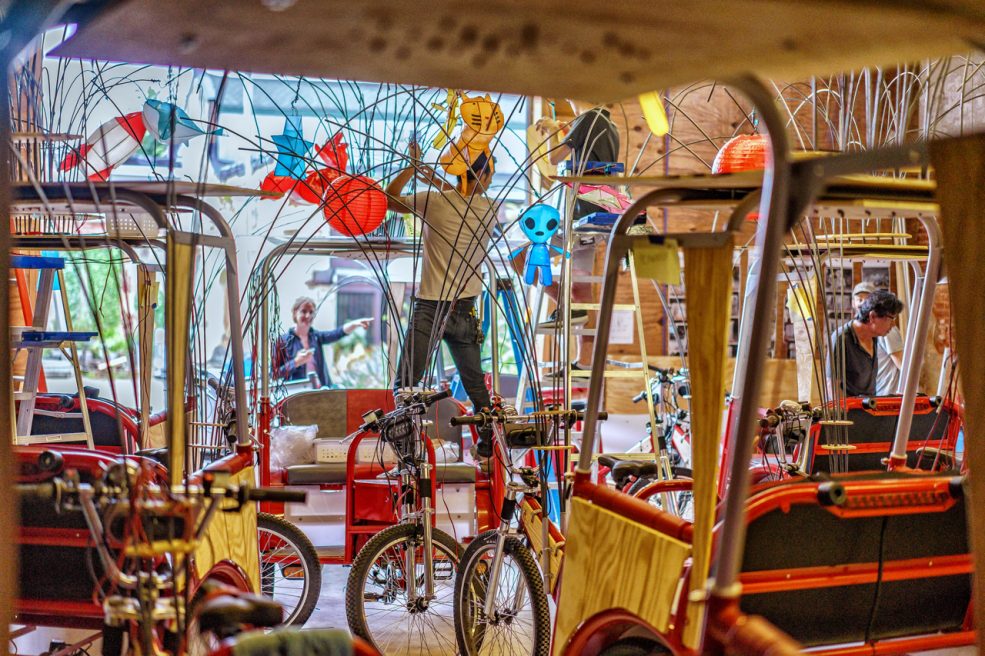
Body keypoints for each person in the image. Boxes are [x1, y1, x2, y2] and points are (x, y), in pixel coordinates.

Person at [386, 141, 498, 456]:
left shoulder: (433, 203)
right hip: (465, 313)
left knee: (406, 387)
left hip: (430, 309)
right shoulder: (489, 209)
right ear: (485, 177)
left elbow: (389, 199)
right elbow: (463, 194)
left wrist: (412, 166)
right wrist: (433, 177)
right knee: (478, 392)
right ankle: (487, 450)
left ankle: (406, 454)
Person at [533, 101, 620, 371]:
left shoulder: (589, 118)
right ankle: (583, 362)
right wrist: (566, 130)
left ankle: (567, 306)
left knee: (526, 259)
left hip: (578, 214)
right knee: (582, 289)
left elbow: (554, 159)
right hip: (596, 213)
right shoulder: (611, 125)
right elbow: (587, 158)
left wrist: (549, 132)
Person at [273, 296, 372, 388]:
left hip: (320, 392)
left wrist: (355, 324)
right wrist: (295, 362)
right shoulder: (283, 341)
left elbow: (337, 333)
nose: (308, 315)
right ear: (295, 313)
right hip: (296, 395)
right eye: (303, 311)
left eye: (311, 312)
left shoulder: (316, 337)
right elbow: (273, 374)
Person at [829, 289, 904, 397]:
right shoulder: (842, 338)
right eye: (890, 319)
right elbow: (832, 386)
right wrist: (845, 412)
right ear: (872, 316)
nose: (893, 325)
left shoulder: (874, 336)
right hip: (850, 410)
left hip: (869, 407)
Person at [851, 282, 905, 395]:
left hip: (888, 396)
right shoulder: (855, 333)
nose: (862, 303)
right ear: (853, 303)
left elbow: (904, 366)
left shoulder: (888, 330)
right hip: (874, 396)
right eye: (859, 299)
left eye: (867, 299)